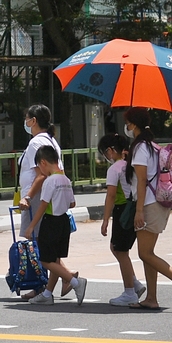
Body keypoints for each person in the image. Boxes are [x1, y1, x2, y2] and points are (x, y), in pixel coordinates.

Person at [125, 107, 172, 311]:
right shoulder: (152, 146)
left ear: (134, 125)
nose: (126, 127)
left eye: (128, 122)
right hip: (157, 202)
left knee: (145, 254)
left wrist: (138, 212)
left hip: (147, 204)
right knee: (148, 252)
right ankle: (152, 298)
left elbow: (141, 181)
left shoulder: (140, 148)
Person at [22, 145, 86, 305]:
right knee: (55, 260)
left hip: (51, 221)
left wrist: (31, 226)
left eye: (38, 167)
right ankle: (48, 294)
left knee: (45, 260)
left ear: (43, 162)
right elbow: (72, 203)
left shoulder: (50, 181)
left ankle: (76, 282)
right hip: (64, 221)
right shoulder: (65, 179)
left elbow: (43, 205)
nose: (40, 172)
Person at [97, 133, 146, 305]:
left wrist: (105, 220)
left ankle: (130, 292)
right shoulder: (130, 165)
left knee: (121, 251)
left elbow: (111, 195)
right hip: (132, 207)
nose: (105, 157)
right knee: (116, 247)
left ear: (111, 151)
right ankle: (135, 283)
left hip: (122, 210)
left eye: (104, 153)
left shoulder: (114, 169)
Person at [17, 104, 61, 253]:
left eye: (27, 119)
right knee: (45, 242)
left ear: (34, 121)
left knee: (37, 240)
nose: (26, 122)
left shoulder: (35, 143)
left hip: (37, 197)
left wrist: (28, 197)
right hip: (50, 194)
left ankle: (67, 276)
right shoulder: (51, 140)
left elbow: (41, 174)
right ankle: (66, 274)